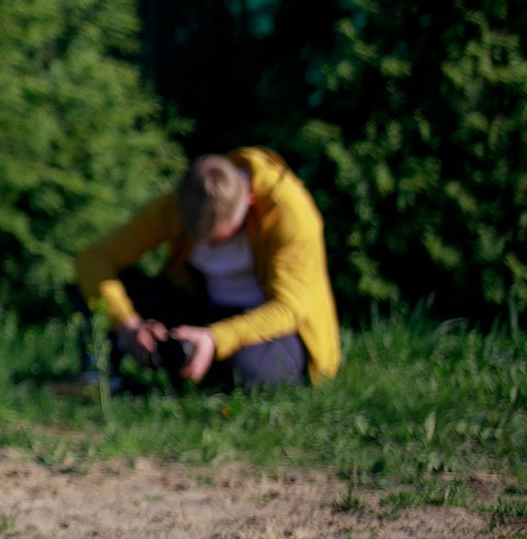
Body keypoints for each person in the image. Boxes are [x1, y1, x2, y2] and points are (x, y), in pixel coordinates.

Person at [74, 149, 340, 391]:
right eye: (198, 236)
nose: (208, 245)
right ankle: (102, 377)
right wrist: (127, 323)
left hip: (272, 328)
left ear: (248, 201)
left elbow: (288, 308)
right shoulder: (179, 205)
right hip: (203, 311)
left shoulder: (288, 211)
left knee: (251, 371)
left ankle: (197, 372)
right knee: (101, 284)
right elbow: (93, 259)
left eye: (219, 238)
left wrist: (216, 339)